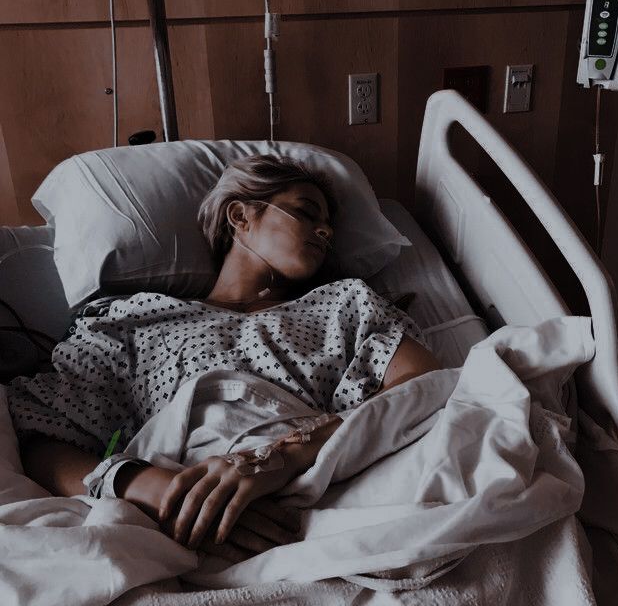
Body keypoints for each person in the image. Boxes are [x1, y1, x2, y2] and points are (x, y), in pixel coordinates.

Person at [7, 155, 440, 559]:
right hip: (180, 501)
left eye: (330, 226)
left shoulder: (344, 303)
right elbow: (46, 438)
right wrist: (162, 490)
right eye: (308, 212)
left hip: (319, 482)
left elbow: (424, 386)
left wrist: (277, 459)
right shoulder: (135, 320)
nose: (325, 232)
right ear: (240, 216)